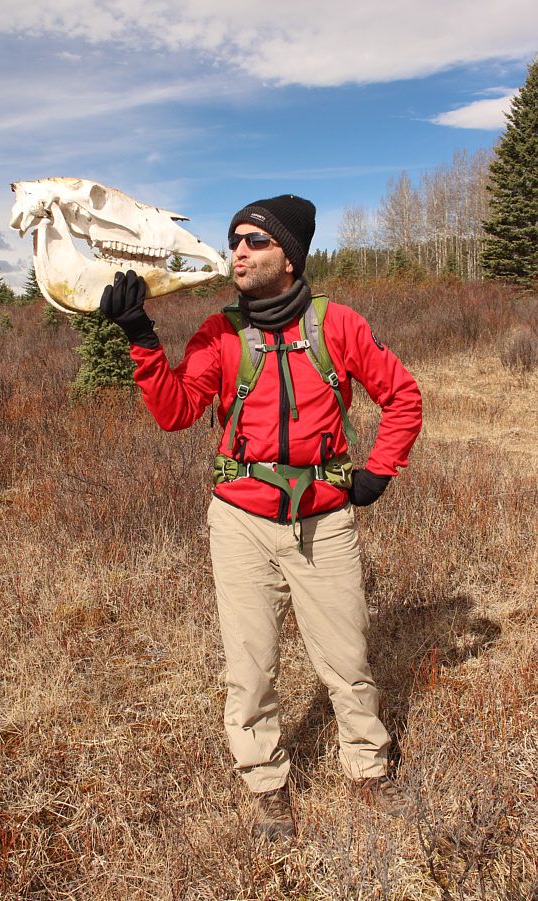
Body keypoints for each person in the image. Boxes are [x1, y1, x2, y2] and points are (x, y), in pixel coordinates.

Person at [100, 194, 423, 842]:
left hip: (324, 523)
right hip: (240, 524)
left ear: (290, 257)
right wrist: (140, 335)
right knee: (250, 667)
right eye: (234, 241)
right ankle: (268, 784)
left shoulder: (339, 326)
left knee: (347, 657)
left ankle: (368, 769)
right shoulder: (220, 334)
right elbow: (174, 410)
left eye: (255, 241)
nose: (238, 251)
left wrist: (380, 471)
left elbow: (403, 394)